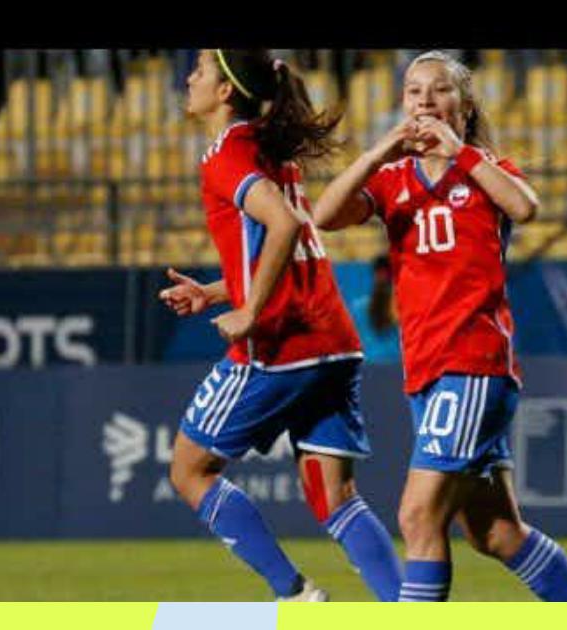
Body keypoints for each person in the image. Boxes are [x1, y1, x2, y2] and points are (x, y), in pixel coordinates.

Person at [312, 50, 567, 602]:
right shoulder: (394, 180)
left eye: (439, 90)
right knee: (496, 533)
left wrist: (461, 153)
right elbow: (323, 216)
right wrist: (376, 152)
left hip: (470, 363)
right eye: (413, 91)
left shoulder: (485, 170)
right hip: (427, 369)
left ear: (463, 106)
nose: (424, 100)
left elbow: (524, 207)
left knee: (418, 516)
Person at [159, 49, 402, 602]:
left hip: (280, 348)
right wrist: (217, 292)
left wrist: (247, 312)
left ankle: (293, 594)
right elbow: (279, 246)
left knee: (189, 470)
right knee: (336, 500)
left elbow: (286, 223)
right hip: (334, 343)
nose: (189, 78)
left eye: (200, 69)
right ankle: (409, 613)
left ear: (225, 92)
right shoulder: (271, 152)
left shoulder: (227, 155)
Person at [347, 255, 402, 363]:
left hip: (378, 366)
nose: (382, 277)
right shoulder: (359, 308)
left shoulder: (358, 307)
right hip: (377, 366)